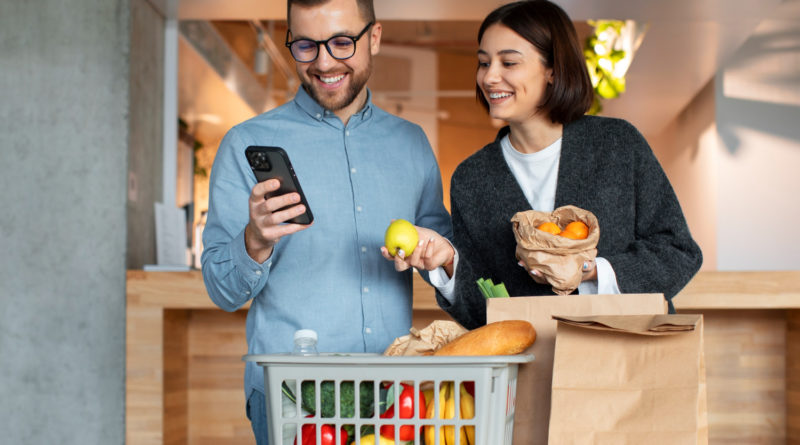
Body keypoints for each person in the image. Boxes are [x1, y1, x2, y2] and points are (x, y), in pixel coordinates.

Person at [200, 0, 452, 442]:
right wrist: (255, 239)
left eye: (341, 42)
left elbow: (445, 261)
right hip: (293, 399)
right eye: (305, 45)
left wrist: (439, 257)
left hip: (392, 397)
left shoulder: (411, 144)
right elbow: (221, 289)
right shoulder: (247, 143)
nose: (324, 62)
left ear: (374, 37)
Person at [389, 0, 702, 330]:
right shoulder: (472, 177)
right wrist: (449, 265)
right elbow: (485, 316)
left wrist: (588, 270)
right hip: (532, 372)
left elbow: (679, 252)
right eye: (483, 63)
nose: (489, 76)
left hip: (626, 364)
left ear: (552, 69)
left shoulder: (617, 145)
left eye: (508, 62)